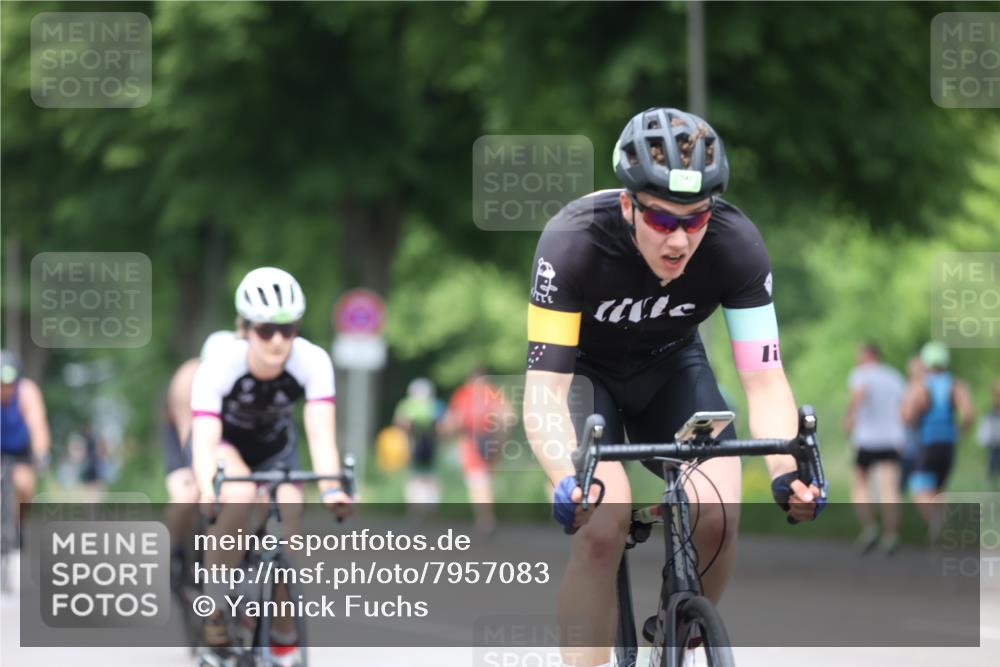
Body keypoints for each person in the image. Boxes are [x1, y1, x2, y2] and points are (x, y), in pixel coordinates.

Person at [524, 107, 821, 667]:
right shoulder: (572, 243)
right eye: (662, 221)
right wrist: (566, 478)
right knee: (605, 525)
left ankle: (680, 635)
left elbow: (764, 380)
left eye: (696, 218)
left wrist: (787, 473)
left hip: (672, 370)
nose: (680, 240)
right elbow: (545, 389)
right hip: (586, 380)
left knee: (719, 512)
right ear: (627, 204)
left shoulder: (736, 245)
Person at [191, 268, 353, 663]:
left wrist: (333, 488)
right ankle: (214, 610)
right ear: (245, 328)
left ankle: (282, 630)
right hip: (229, 447)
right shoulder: (219, 365)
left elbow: (320, 435)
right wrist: (205, 486)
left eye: (289, 329)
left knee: (290, 519)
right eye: (266, 330)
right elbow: (204, 438)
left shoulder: (312, 361)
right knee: (241, 493)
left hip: (277, 451)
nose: (279, 340)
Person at [162, 330, 234, 590]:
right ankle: (175, 551)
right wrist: (198, 474)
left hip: (219, 431)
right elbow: (188, 434)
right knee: (187, 495)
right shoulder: (187, 380)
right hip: (184, 431)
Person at [901, 341, 974, 533]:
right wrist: (957, 431)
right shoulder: (955, 384)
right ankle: (944, 528)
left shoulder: (922, 385)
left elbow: (908, 415)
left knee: (919, 489)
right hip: (948, 443)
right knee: (939, 488)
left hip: (927, 442)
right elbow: (968, 414)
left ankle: (938, 524)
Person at [842, 342, 906, 555]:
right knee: (889, 489)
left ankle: (869, 529)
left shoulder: (861, 374)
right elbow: (904, 407)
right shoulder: (894, 376)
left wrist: (849, 417)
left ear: (868, 355)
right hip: (892, 438)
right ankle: (891, 535)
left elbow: (859, 394)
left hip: (867, 438)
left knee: (860, 484)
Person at [441, 369, 514, 534]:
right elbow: (508, 415)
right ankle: (487, 518)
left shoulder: (464, 394)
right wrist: (501, 439)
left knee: (477, 481)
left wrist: (445, 435)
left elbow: (454, 420)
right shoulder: (493, 392)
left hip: (472, 442)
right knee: (486, 479)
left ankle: (485, 519)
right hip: (491, 439)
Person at [0, 350, 50, 538]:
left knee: (24, 485)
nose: (5, 388)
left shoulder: (27, 391)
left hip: (21, 450)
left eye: (9, 383)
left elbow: (38, 425)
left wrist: (41, 454)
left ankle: (22, 527)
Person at [393, 378, 444, 509]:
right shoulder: (413, 405)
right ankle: (419, 507)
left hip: (425, 444)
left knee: (423, 476)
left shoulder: (431, 405)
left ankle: (422, 507)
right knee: (420, 476)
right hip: (416, 443)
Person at [976, 378, 1000, 490]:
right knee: (992, 464)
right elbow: (985, 430)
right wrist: (985, 439)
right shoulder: (990, 413)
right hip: (994, 445)